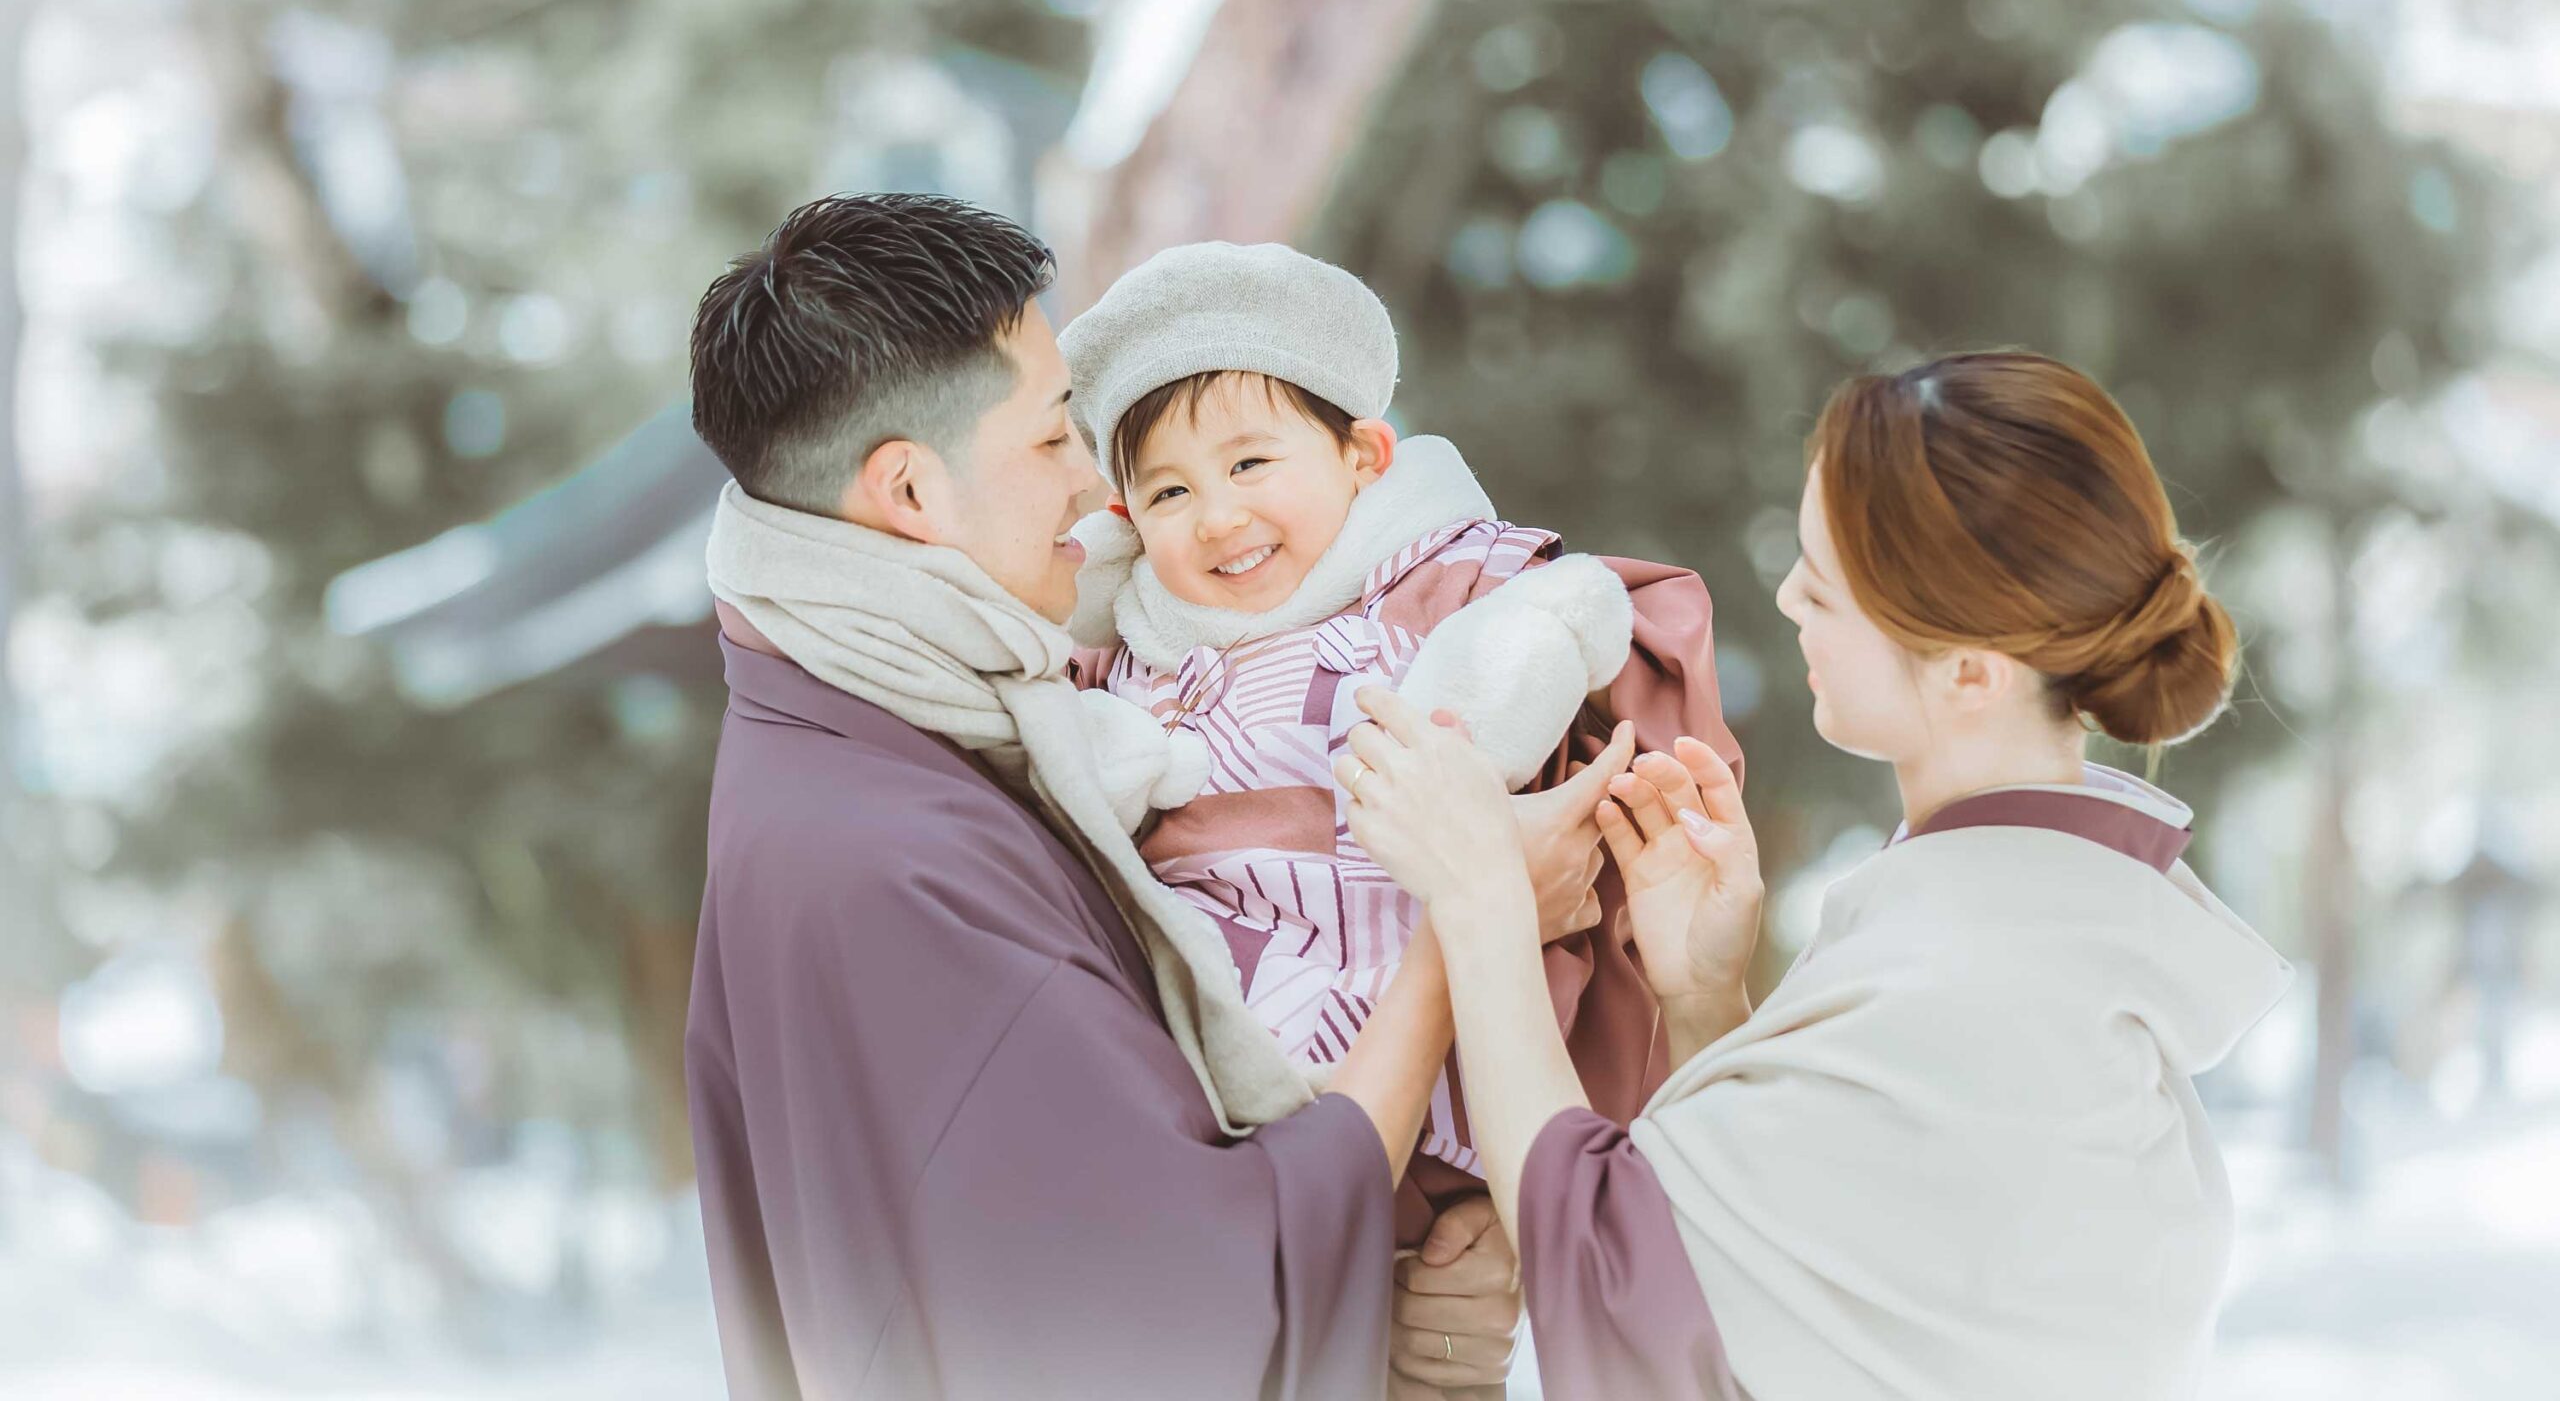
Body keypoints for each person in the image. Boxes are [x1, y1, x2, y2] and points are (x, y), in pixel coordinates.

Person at [680, 194, 1530, 1398]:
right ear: (911, 495)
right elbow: (1189, 1308)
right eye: (1050, 439)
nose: (1097, 484)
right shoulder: (886, 859)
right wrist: (1465, 926)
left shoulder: (858, 734)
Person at [1342, 351, 2295, 1400]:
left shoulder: (1971, 987)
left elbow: (1614, 1273)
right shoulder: (2025, 935)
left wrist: (1478, 893)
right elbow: (1811, 1283)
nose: (1789, 598)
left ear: (1970, 672)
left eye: (1825, 588)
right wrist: (1711, 1003)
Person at [1056, 241, 1740, 1258]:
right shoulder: (1131, 661)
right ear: (1125, 519)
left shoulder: (1429, 591)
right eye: (1166, 495)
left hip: (1412, 1010)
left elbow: (1529, 655)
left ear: (1363, 457)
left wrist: (1525, 648)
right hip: (1223, 1023)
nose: (1218, 518)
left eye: (1249, 463)